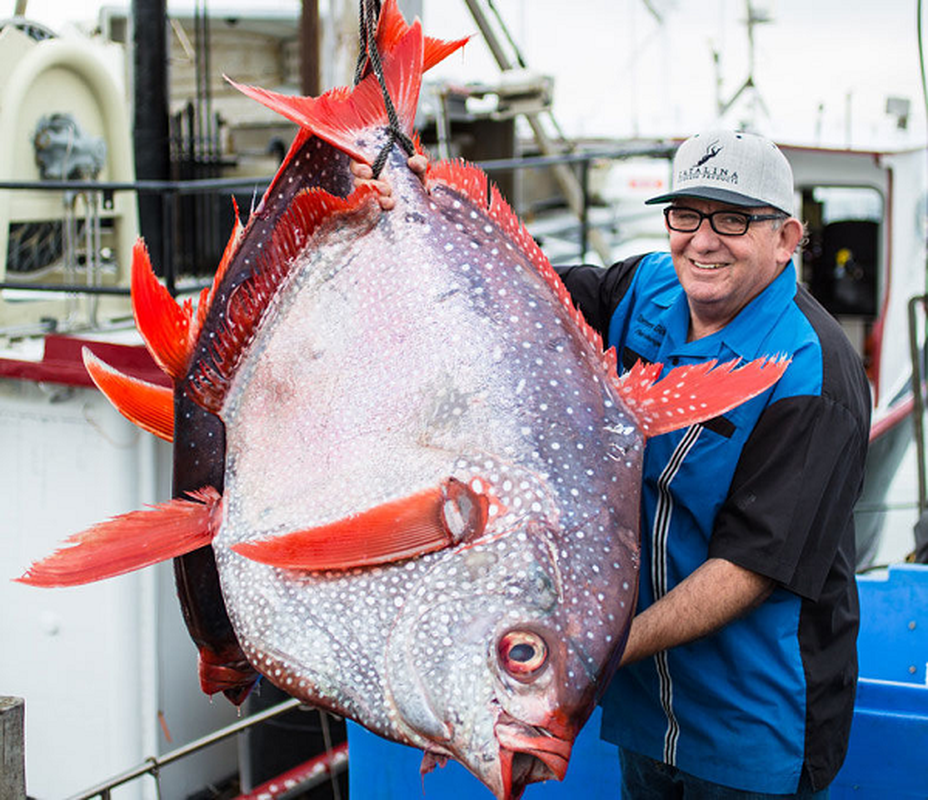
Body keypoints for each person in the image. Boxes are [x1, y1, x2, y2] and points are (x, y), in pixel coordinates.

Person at [359, 128, 871, 799]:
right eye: (685, 215)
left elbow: (748, 570)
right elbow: (520, 297)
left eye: (734, 219)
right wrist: (432, 207)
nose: (703, 240)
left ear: (787, 239)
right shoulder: (646, 288)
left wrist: (580, 659)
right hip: (642, 713)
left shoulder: (812, 373)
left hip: (754, 725)